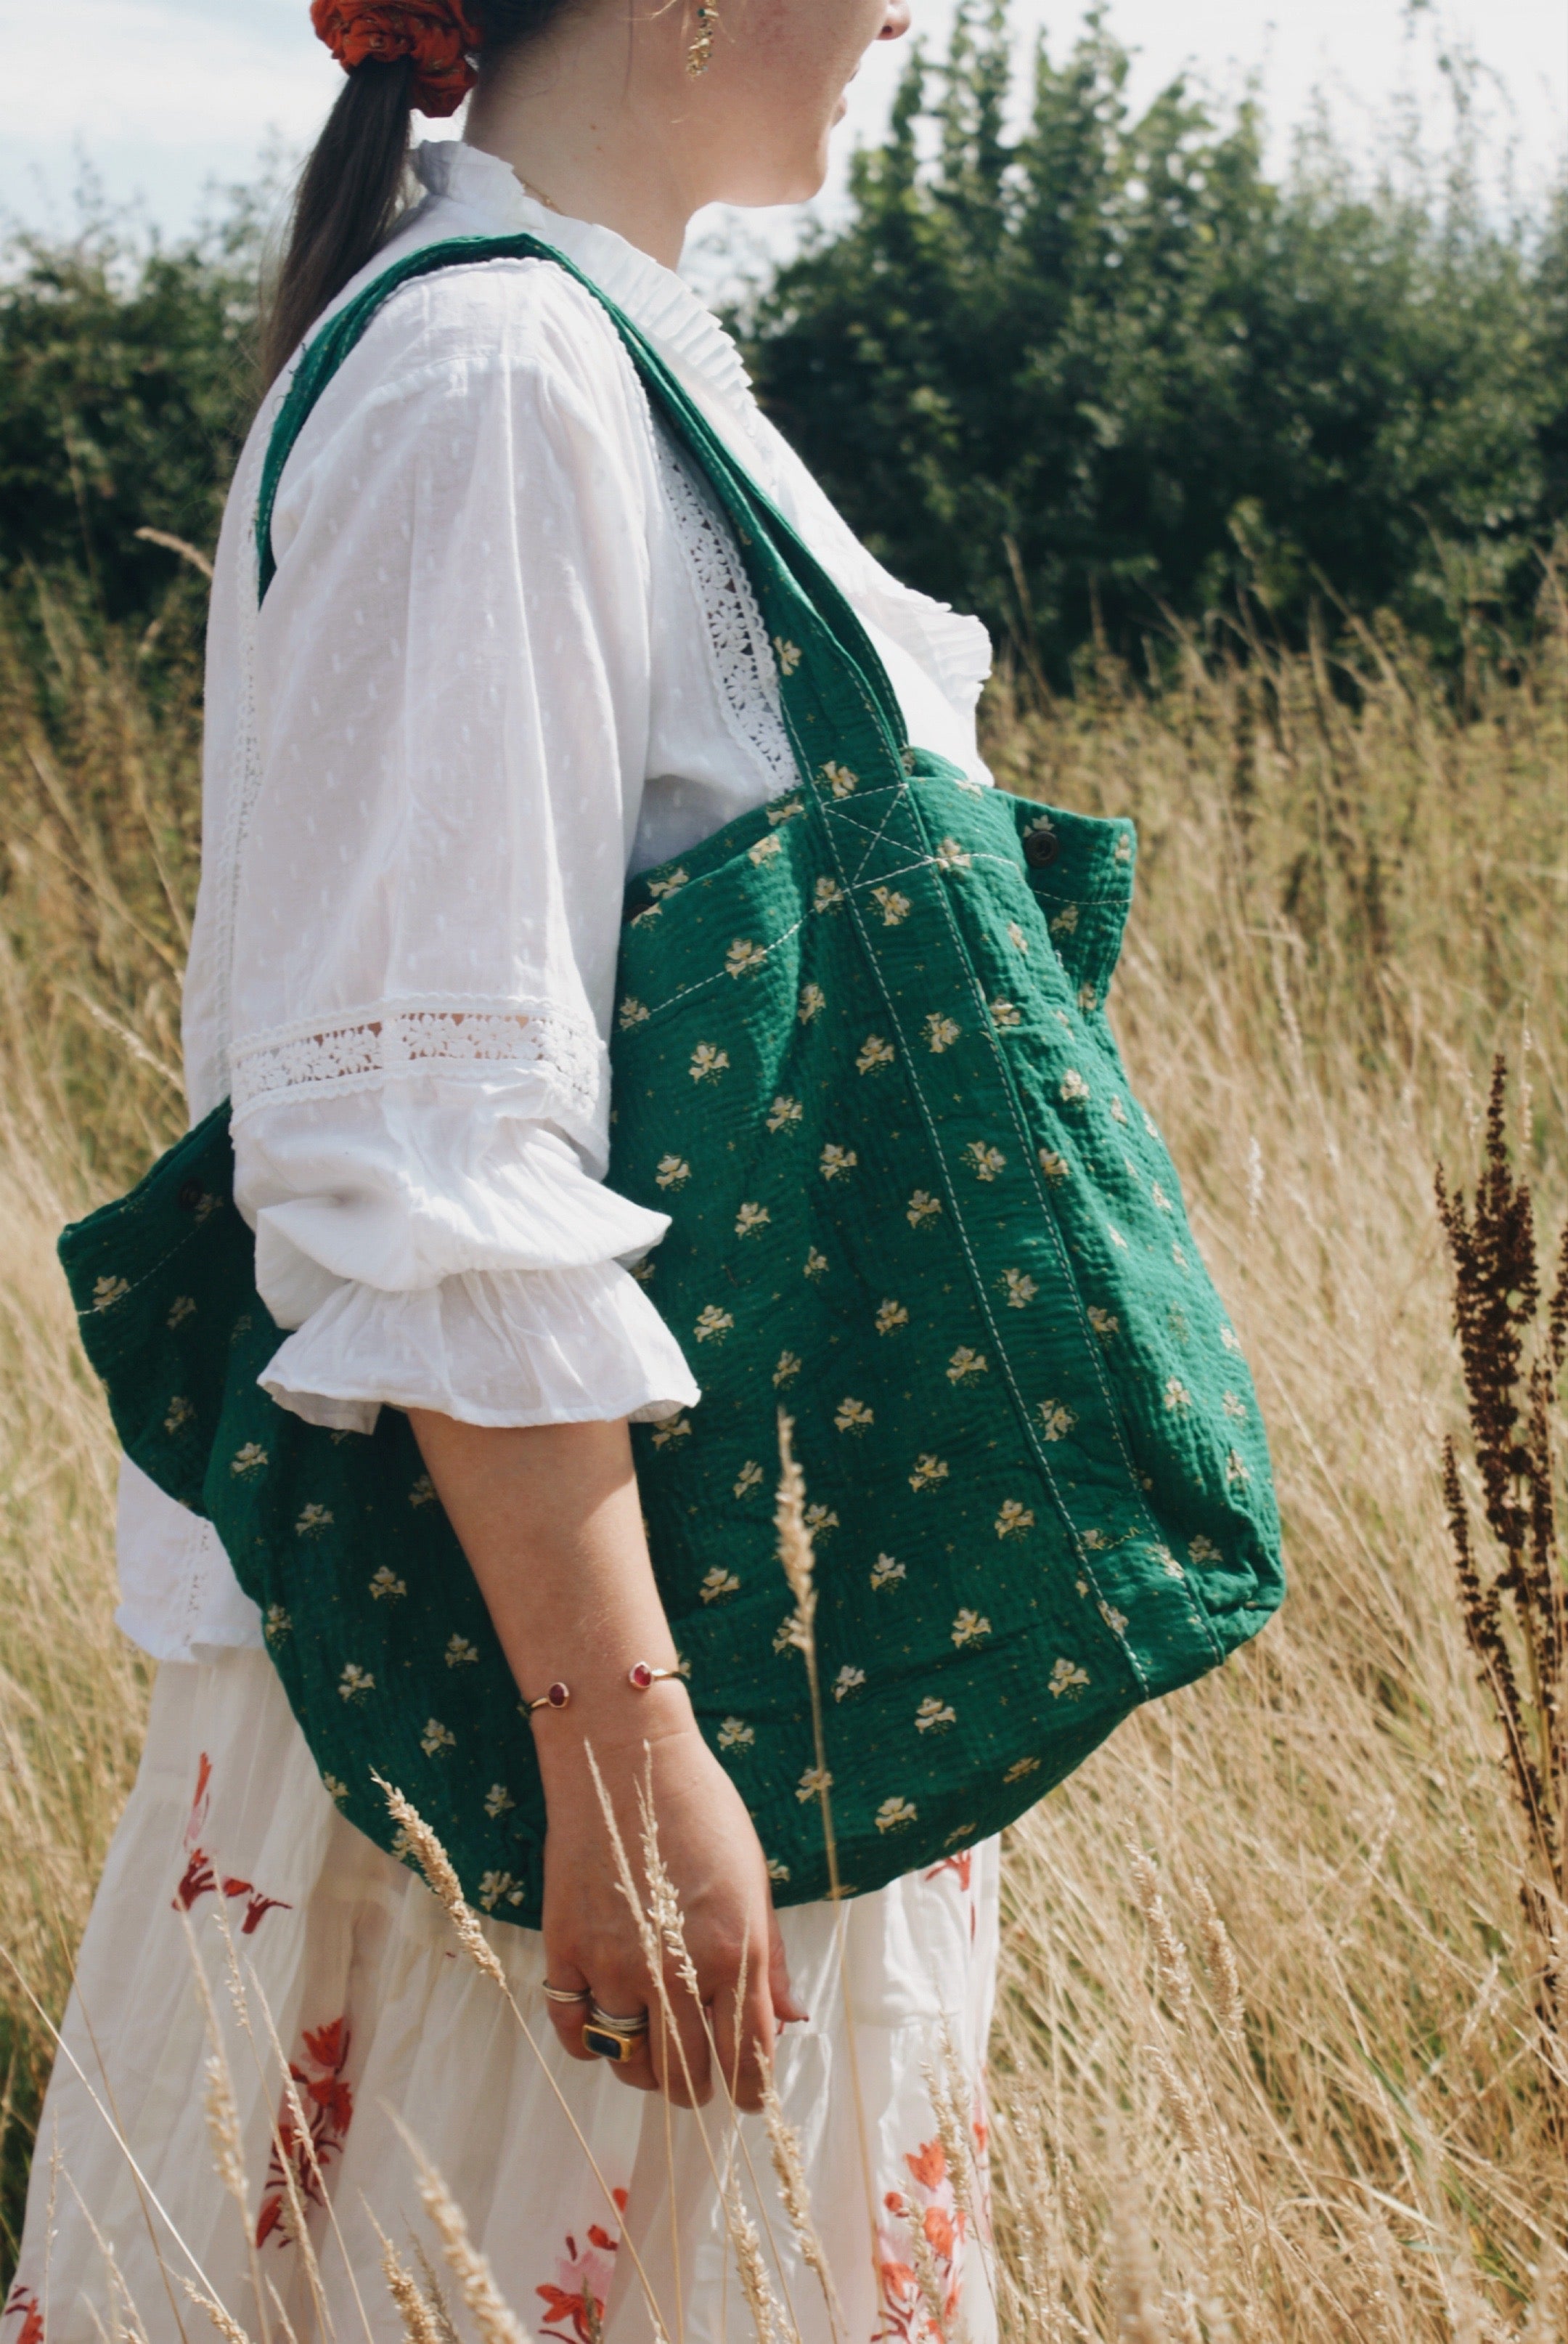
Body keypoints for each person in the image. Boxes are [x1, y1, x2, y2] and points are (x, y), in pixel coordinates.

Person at [9, 4, 1002, 2340]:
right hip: (523, 1711)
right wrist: (621, 1754)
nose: (895, 11)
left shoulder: (611, 361)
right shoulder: (496, 386)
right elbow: (424, 1145)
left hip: (659, 1665)